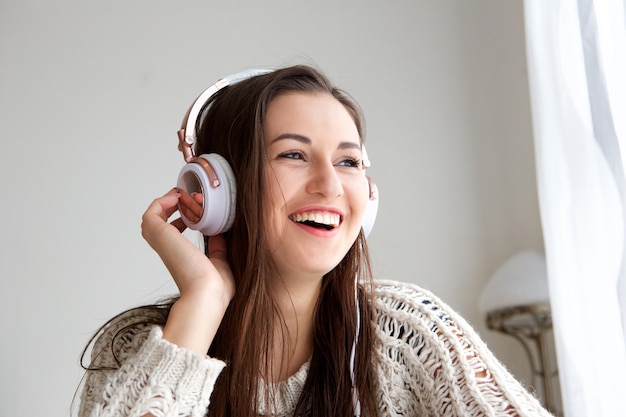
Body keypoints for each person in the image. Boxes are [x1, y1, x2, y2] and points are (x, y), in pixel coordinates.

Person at [78, 65, 552, 417]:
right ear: (222, 187)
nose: (330, 184)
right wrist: (202, 304)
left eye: (348, 163)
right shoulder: (133, 349)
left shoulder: (410, 335)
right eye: (294, 154)